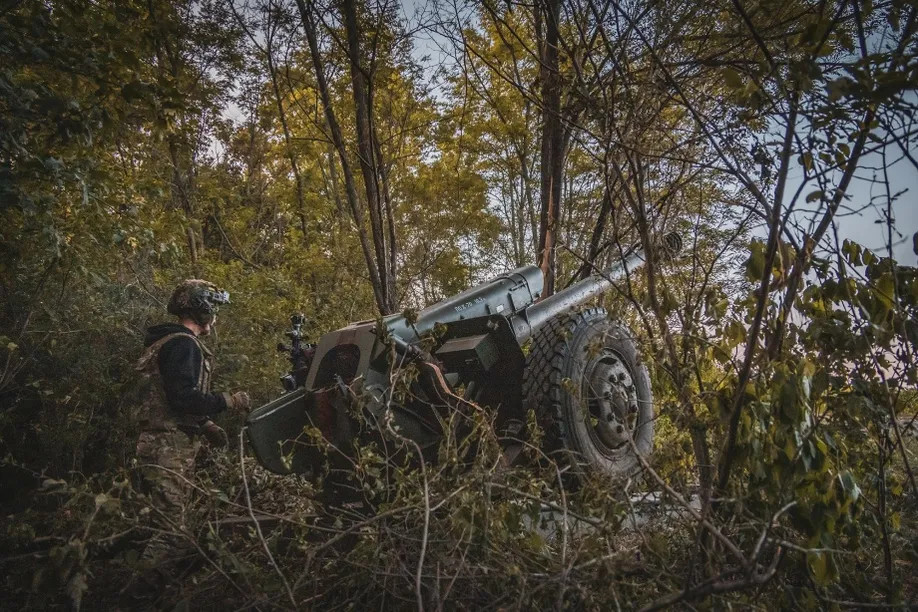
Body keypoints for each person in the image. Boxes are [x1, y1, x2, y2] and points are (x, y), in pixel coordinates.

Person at [132, 279, 250, 585]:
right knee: (172, 533)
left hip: (155, 442)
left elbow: (166, 399)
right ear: (202, 308)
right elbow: (182, 396)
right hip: (167, 447)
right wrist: (227, 401)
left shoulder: (167, 342)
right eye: (214, 308)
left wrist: (204, 424)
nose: (216, 317)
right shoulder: (183, 344)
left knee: (158, 524)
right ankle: (135, 598)